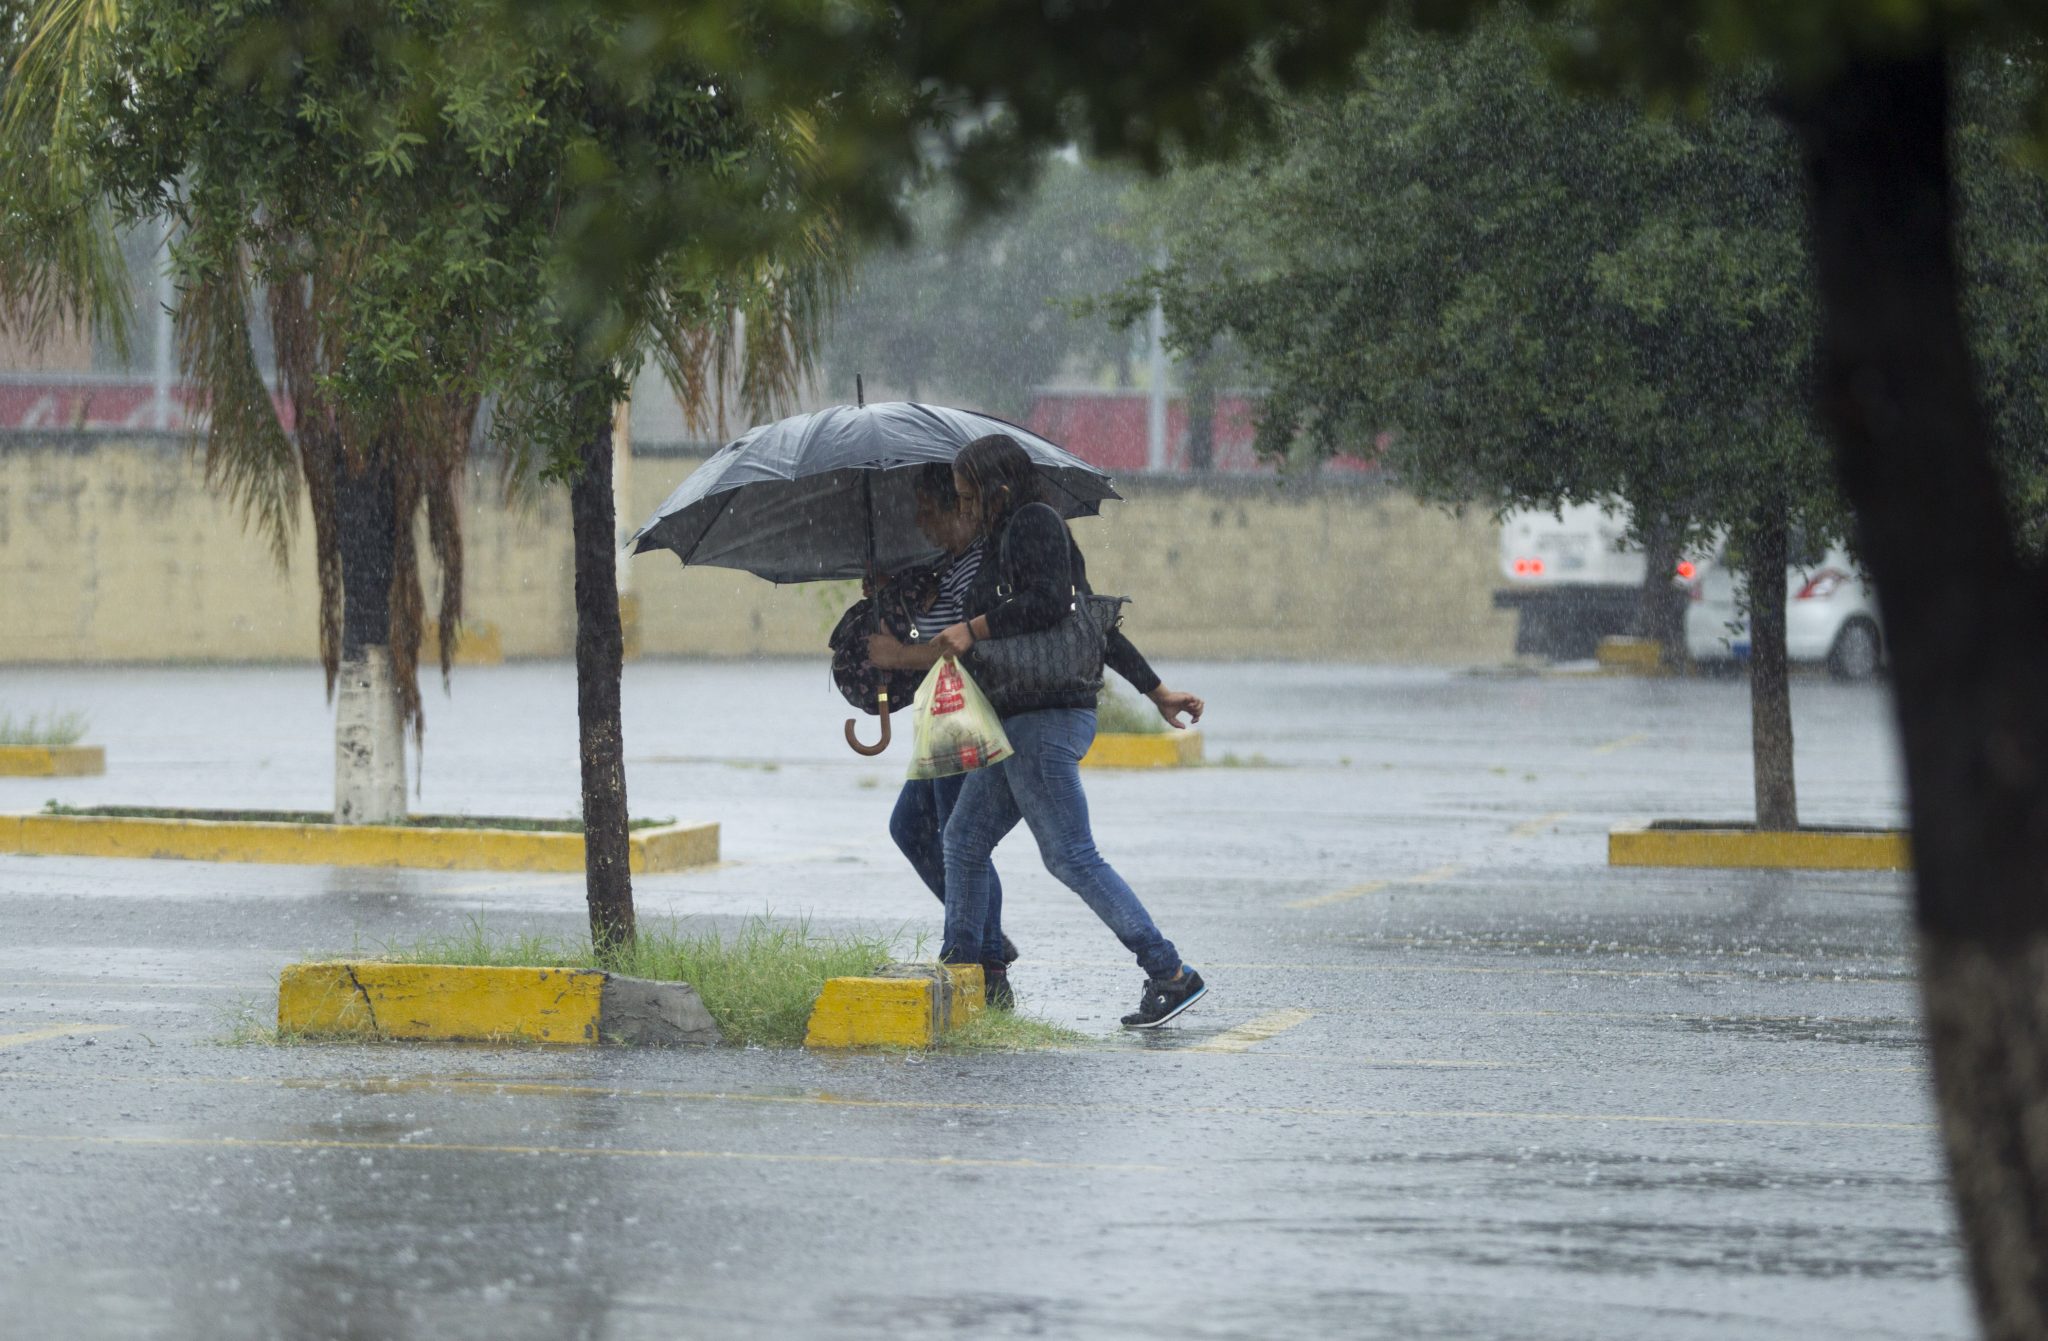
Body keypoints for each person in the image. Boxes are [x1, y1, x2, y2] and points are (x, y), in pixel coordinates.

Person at [927, 433, 1209, 1028]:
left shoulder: (1034, 523)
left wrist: (973, 629)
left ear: (997, 488)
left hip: (1047, 717)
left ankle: (1170, 972)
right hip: (1022, 719)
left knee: (1070, 856)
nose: (965, 508)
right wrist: (1156, 691)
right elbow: (1093, 622)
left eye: (969, 496)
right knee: (963, 842)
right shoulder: (1004, 540)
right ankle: (959, 975)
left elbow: (1055, 606)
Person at [864, 466, 1019, 969]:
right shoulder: (953, 563)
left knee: (961, 839)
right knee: (913, 827)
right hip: (945, 716)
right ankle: (986, 934)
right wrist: (891, 595)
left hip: (966, 713)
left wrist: (895, 654)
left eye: (929, 511)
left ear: (961, 509)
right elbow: (931, 627)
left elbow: (951, 646)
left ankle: (985, 957)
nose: (920, 522)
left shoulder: (980, 564)